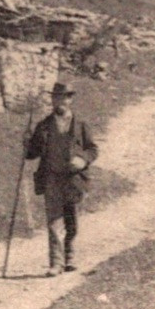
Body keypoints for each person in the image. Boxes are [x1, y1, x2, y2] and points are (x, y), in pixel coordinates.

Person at [23, 82, 99, 276]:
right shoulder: (44, 126)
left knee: (71, 220)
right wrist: (27, 142)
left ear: (70, 99)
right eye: (56, 97)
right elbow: (32, 154)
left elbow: (92, 149)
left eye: (64, 97)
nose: (60, 101)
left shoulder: (80, 124)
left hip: (73, 179)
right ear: (52, 100)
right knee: (54, 221)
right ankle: (56, 263)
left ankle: (70, 256)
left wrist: (83, 160)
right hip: (51, 178)